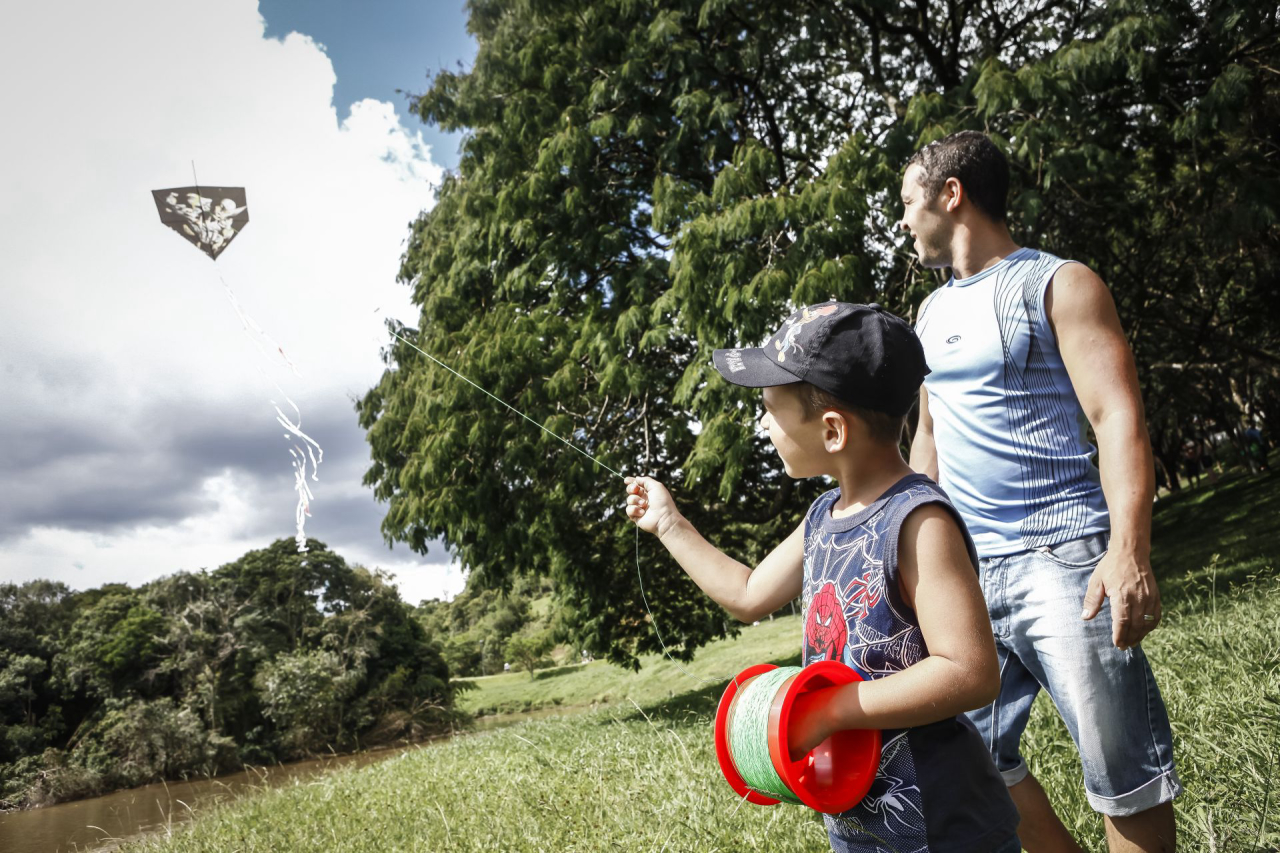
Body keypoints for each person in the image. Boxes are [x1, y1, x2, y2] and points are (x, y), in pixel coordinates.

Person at [624, 302, 1021, 852]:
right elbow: (747, 594)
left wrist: (834, 709)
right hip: (858, 823)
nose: (761, 422)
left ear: (832, 430)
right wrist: (669, 524)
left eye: (769, 407)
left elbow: (971, 672)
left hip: (944, 824)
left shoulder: (918, 522)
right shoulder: (821, 518)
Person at [901, 130, 1181, 852]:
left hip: (1065, 561)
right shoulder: (930, 315)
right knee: (975, 759)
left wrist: (1127, 550)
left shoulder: (1059, 283)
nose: (903, 220)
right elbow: (926, 446)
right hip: (968, 577)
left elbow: (1116, 415)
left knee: (1124, 772)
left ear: (950, 194)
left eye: (909, 201)